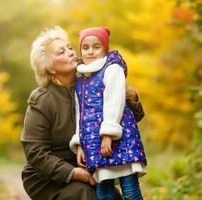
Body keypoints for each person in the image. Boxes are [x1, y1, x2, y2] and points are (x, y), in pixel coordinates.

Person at [21, 26, 145, 200]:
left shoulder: (95, 75)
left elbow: (134, 117)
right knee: (86, 196)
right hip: (48, 177)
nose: (71, 52)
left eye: (70, 47)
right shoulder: (42, 100)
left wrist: (130, 96)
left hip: (92, 165)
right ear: (49, 68)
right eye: (61, 52)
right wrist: (73, 172)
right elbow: (35, 152)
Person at [69, 27, 147, 200]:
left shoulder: (112, 69)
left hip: (119, 141)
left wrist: (108, 135)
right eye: (86, 47)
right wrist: (80, 143)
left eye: (96, 46)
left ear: (105, 48)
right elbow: (79, 114)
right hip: (94, 143)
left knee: (130, 192)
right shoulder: (81, 79)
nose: (90, 51)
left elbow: (115, 102)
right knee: (104, 194)